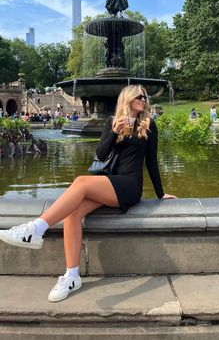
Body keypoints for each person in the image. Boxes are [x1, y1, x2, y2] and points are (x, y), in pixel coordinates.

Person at [0, 85, 176, 303]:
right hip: (110, 183)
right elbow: (101, 154)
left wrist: (160, 194)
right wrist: (114, 132)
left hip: (130, 186)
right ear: (127, 99)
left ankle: (35, 228)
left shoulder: (149, 124)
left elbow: (151, 162)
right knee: (72, 215)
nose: (143, 99)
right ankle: (71, 276)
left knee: (81, 182)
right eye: (139, 96)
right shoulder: (111, 121)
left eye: (144, 96)